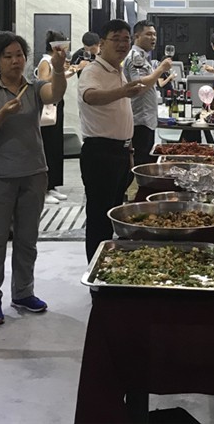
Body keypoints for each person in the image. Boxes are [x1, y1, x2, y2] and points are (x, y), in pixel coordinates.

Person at [0, 32, 67, 324]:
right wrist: (2, 113)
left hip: (34, 173)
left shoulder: (33, 86)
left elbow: (55, 94)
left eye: (19, 55)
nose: (15, 61)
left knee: (27, 240)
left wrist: (59, 70)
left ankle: (23, 293)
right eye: (8, 56)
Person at [78, 19, 147, 260]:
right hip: (100, 152)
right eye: (115, 39)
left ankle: (107, 263)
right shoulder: (93, 71)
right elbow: (90, 96)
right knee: (99, 217)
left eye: (126, 39)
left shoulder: (118, 69)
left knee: (113, 213)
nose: (122, 44)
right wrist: (123, 92)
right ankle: (95, 269)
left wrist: (129, 150)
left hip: (120, 152)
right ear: (102, 43)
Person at [124, 21, 174, 166]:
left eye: (155, 34)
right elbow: (139, 86)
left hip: (146, 118)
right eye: (149, 34)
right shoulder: (136, 57)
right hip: (140, 119)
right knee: (141, 162)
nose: (153, 38)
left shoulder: (143, 57)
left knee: (146, 159)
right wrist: (161, 69)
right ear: (136, 36)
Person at [37, 30, 74, 204]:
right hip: (48, 107)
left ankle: (52, 185)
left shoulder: (55, 62)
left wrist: (64, 72)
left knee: (56, 147)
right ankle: (43, 189)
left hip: (57, 105)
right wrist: (59, 71)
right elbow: (43, 81)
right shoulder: (46, 61)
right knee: (48, 146)